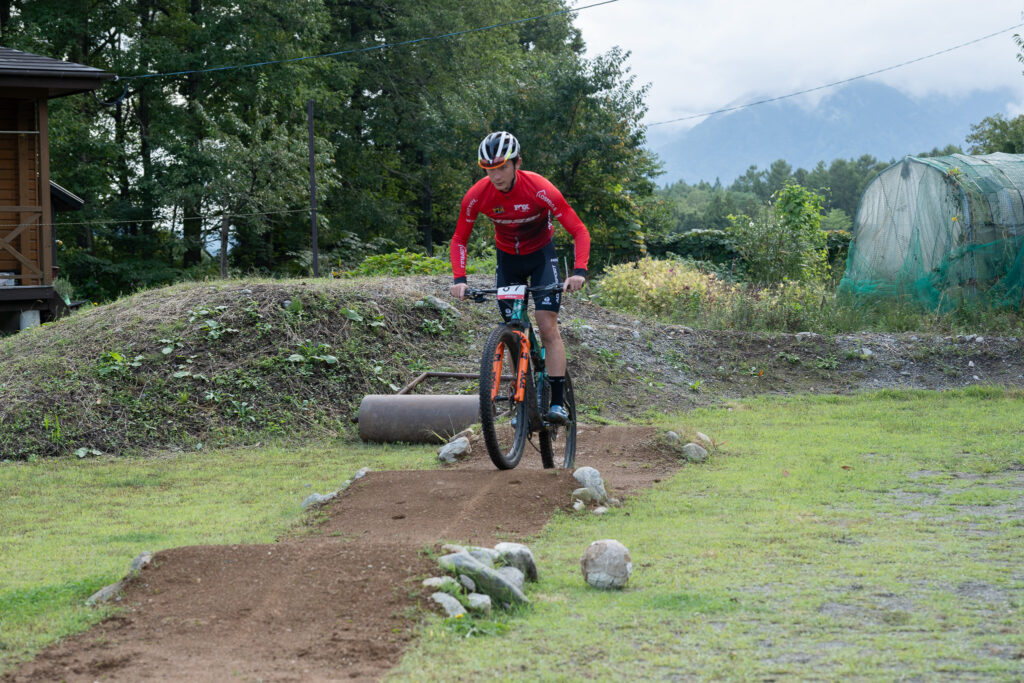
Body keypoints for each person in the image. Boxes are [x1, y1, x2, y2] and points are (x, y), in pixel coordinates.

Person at [449, 131, 590, 424]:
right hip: (508, 261)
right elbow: (460, 239)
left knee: (546, 325)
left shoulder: (539, 188)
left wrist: (578, 272)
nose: (496, 175)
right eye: (489, 169)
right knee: (513, 329)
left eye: (502, 167)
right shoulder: (477, 195)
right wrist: (459, 278)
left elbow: (578, 229)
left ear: (517, 163)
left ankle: (556, 402)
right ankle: (521, 395)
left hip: (542, 256)